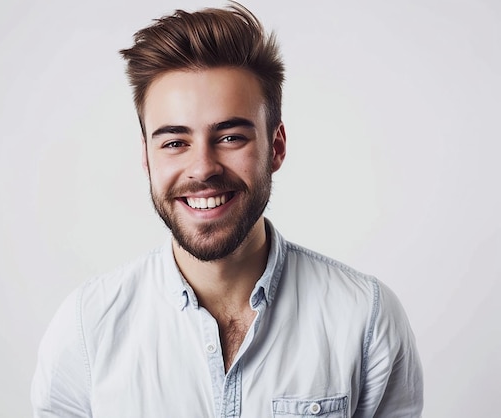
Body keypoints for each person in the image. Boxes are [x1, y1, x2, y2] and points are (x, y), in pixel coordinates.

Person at [31, 3, 423, 417]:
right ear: (147, 158)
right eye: (174, 143)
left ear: (276, 147)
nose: (202, 168)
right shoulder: (87, 328)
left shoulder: (366, 318)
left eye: (231, 137)